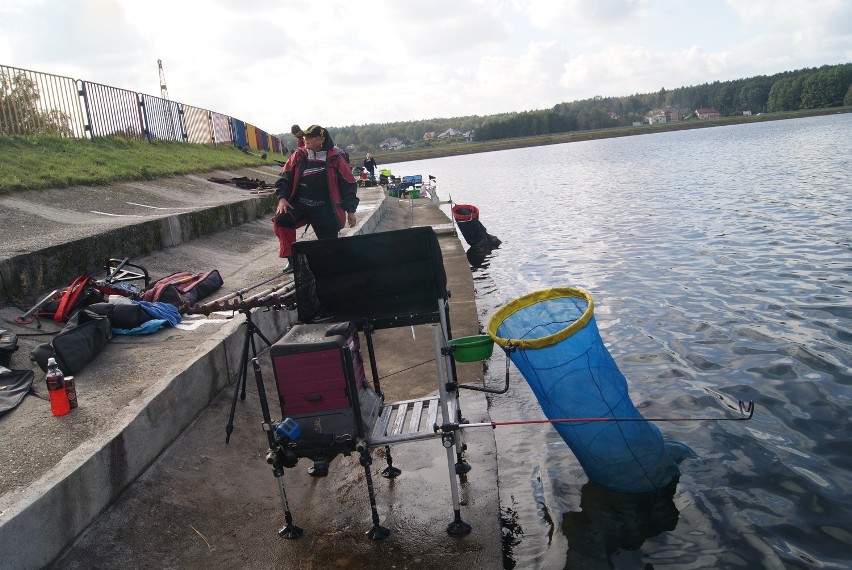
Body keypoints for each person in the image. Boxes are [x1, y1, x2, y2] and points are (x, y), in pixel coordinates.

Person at [273, 125, 359, 274]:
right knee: (281, 219)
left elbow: (349, 185)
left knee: (329, 251)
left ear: (322, 140)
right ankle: (292, 260)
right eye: (305, 137)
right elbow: (284, 177)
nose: (306, 139)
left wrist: (350, 211)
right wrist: (282, 198)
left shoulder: (336, 159)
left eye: (310, 137)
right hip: (300, 205)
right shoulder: (298, 155)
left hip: (325, 209)